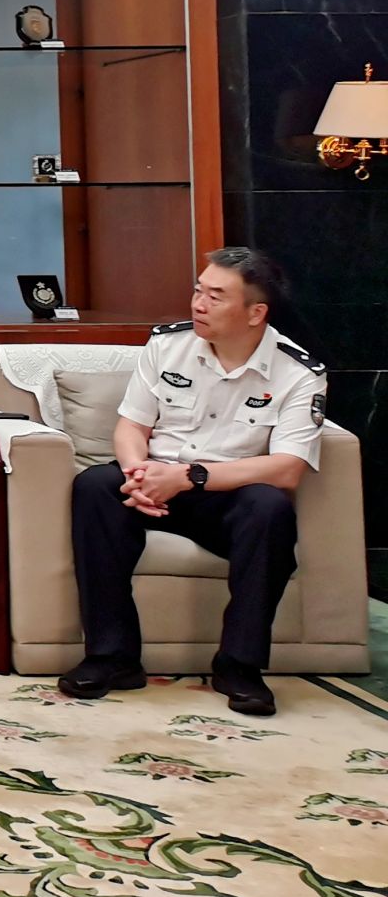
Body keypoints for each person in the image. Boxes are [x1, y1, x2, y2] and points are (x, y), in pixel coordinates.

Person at [60, 246, 326, 717]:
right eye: (198, 291)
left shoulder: (298, 373)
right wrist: (137, 474)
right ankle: (112, 657)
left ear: (256, 313)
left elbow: (287, 467)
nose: (198, 304)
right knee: (95, 486)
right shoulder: (168, 345)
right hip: (155, 482)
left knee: (270, 508)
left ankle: (239, 666)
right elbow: (131, 426)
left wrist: (188, 476)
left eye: (215, 297)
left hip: (226, 495)